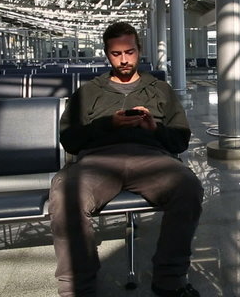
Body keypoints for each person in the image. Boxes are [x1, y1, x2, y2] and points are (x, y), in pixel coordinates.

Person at [49, 22, 203, 297]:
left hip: (151, 158)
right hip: (98, 161)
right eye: (116, 54)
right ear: (107, 54)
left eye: (129, 53)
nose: (124, 60)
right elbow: (70, 139)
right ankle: (77, 288)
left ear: (139, 51)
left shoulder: (160, 90)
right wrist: (109, 124)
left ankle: (169, 279)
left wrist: (155, 129)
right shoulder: (89, 92)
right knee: (66, 195)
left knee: (188, 187)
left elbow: (180, 140)